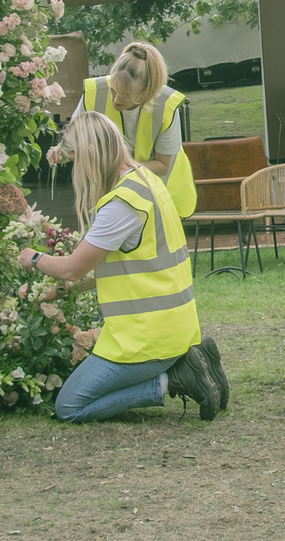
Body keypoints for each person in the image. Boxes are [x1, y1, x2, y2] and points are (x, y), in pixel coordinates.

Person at [19, 111, 227, 423]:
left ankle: (176, 379)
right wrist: (66, 290)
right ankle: (186, 367)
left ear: (91, 155)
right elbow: (125, 264)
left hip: (145, 340)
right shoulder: (145, 181)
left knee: (69, 407)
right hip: (172, 328)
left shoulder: (121, 204)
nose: (77, 168)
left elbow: (72, 268)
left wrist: (33, 258)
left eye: (76, 159)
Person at [75, 40, 197, 218]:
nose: (116, 100)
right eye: (113, 90)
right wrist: (64, 151)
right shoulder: (94, 92)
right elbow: (73, 141)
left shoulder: (166, 105)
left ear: (146, 91)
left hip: (159, 193)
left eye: (126, 94)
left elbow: (163, 165)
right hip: (107, 195)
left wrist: (119, 170)